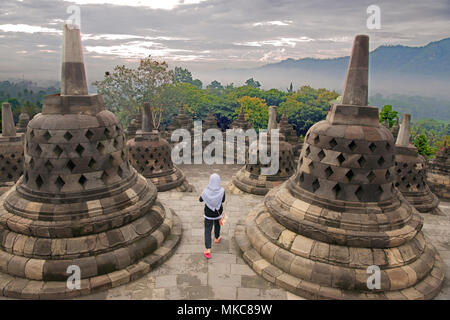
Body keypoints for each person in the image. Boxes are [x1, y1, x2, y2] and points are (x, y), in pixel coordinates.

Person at [200, 173, 225, 259]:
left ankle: (208, 249)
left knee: (207, 229)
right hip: (218, 212)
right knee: (217, 224)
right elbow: (223, 200)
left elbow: (200, 199)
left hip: (208, 213)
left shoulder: (205, 191)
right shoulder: (222, 190)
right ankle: (217, 238)